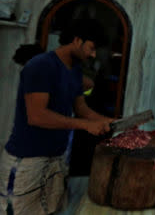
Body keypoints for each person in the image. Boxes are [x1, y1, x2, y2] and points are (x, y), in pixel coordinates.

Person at [0, 19, 114, 215]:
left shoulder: (75, 70)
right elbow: (37, 116)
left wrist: (106, 121)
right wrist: (85, 126)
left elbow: (82, 109)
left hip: (56, 160)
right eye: (91, 48)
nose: (93, 55)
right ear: (77, 40)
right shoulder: (41, 66)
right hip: (28, 161)